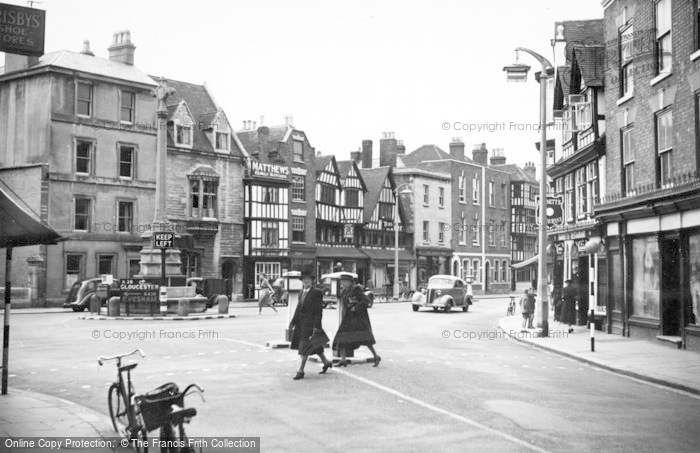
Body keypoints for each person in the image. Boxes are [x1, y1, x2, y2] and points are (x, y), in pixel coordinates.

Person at [289, 272, 333, 380]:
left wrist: (316, 326)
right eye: (304, 279)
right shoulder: (301, 293)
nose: (305, 281)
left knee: (304, 347)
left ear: (312, 280)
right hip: (301, 324)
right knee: (315, 345)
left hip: (311, 324)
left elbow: (319, 311)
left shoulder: (317, 292)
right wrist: (292, 322)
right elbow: (298, 308)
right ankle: (326, 362)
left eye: (308, 279)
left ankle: (301, 371)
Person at [332, 273, 381, 367]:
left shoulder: (356, 289)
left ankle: (376, 356)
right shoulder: (345, 290)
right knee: (341, 338)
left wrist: (356, 308)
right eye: (342, 281)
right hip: (348, 318)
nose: (342, 283)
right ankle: (343, 360)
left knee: (365, 339)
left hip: (358, 319)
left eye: (345, 281)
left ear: (350, 282)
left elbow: (366, 301)